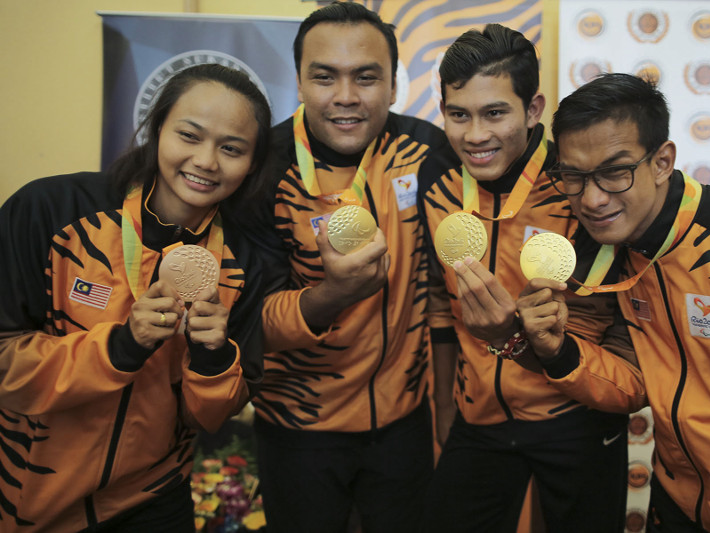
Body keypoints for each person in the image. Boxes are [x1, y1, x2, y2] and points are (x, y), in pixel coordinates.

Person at [518, 72, 710, 532]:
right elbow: (633, 384)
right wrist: (556, 350)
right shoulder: (601, 252)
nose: (591, 198)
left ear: (663, 161)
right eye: (573, 176)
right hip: (675, 509)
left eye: (615, 172)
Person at [0, 64, 273, 532]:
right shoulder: (49, 211)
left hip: (153, 498)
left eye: (231, 149)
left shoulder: (245, 264)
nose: (207, 161)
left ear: (251, 163)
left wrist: (211, 357)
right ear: (157, 127)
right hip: (29, 494)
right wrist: (121, 347)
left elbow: (207, 417)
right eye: (190, 135)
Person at [245, 3, 458, 532]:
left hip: (404, 422)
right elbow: (249, 323)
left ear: (392, 85)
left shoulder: (427, 152)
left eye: (366, 78)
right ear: (297, 81)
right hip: (297, 429)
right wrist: (330, 295)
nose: (345, 97)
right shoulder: (259, 168)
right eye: (325, 77)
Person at [418, 25, 635, 532]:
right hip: (479, 420)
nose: (475, 135)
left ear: (533, 109)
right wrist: (448, 410)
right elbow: (441, 304)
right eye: (458, 114)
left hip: (575, 419)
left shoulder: (579, 186)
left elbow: (610, 317)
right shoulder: (440, 183)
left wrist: (516, 337)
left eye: (495, 112)